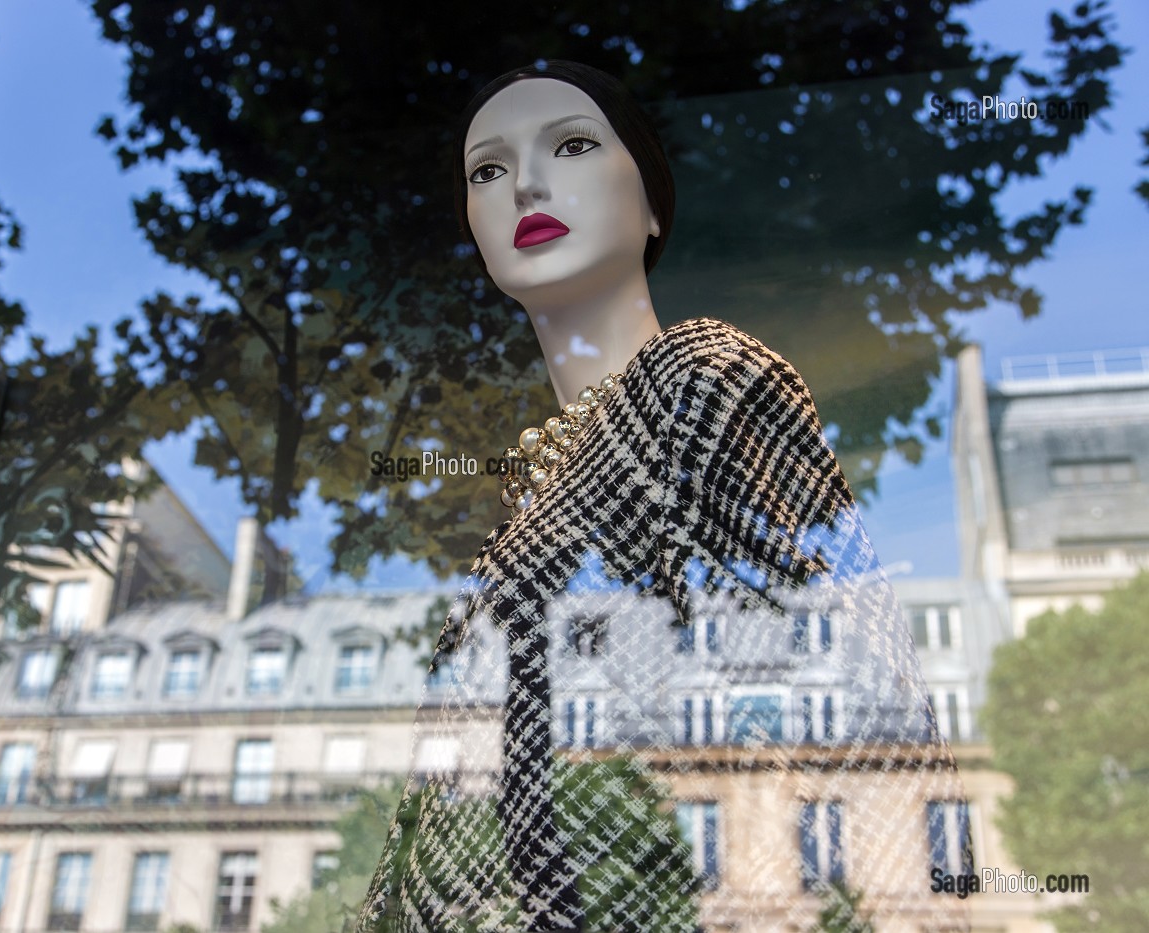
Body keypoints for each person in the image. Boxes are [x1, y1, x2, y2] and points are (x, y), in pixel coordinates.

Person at [354, 61, 966, 933]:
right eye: (486, 170)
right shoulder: (536, 491)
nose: (524, 182)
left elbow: (832, 681)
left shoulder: (704, 381)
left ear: (650, 207)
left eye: (571, 145)